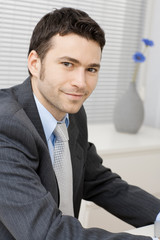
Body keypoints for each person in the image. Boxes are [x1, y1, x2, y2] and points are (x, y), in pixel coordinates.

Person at [0, 7, 159, 240]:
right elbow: (47, 233)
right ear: (35, 63)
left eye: (91, 69)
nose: (80, 83)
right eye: (67, 64)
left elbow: (100, 181)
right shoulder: (6, 127)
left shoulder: (71, 111)